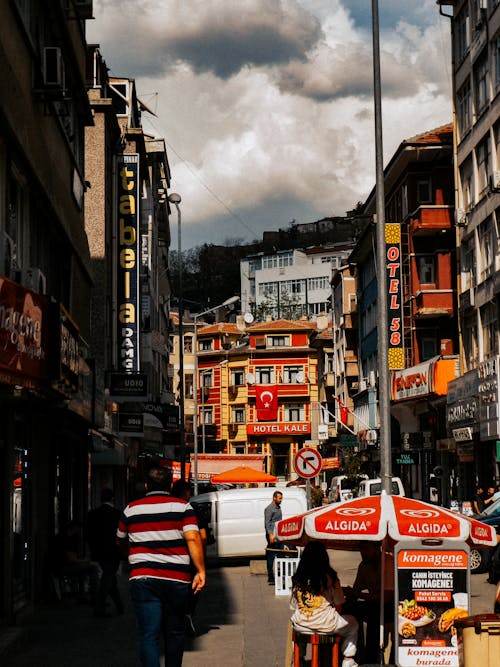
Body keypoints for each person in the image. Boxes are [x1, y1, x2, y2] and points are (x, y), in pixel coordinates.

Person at [117, 465, 206, 667]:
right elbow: (193, 538)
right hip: (176, 580)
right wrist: (200, 570)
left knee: (149, 635)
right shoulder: (183, 507)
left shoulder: (131, 509)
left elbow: (120, 540)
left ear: (146, 485)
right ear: (170, 484)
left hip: (143, 579)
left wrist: (131, 555)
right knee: (174, 632)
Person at [290, 541, 358, 667]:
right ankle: (348, 659)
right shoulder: (330, 577)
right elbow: (339, 607)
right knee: (353, 623)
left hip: (302, 624)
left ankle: (299, 657)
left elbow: (294, 606)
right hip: (325, 624)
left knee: (295, 624)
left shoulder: (298, 578)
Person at [343, 541, 394, 665]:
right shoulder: (364, 566)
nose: (362, 552)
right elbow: (356, 591)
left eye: (366, 549)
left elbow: (387, 597)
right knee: (350, 610)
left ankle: (371, 658)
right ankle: (355, 654)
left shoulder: (388, 562)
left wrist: (357, 594)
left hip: (392, 606)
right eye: (361, 549)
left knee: (374, 614)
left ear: (377, 549)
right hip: (374, 604)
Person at [170, 479, 209, 636]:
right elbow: (203, 537)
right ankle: (187, 614)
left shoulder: (169, 508)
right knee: (193, 588)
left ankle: (176, 617)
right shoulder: (192, 509)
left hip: (173, 557)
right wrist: (202, 561)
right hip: (191, 556)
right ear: (187, 493)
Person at [86, 488, 124, 618]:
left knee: (109, 577)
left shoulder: (92, 514)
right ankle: (99, 607)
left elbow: (88, 535)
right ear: (112, 499)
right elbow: (122, 535)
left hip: (98, 552)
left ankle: (119, 605)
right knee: (108, 578)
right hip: (114, 552)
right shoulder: (117, 514)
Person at [50, 520, 100, 603]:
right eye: (79, 529)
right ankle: (95, 596)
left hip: (62, 566)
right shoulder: (65, 538)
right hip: (62, 568)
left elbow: (72, 557)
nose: (79, 532)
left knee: (85, 569)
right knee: (93, 568)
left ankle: (82, 595)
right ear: (75, 528)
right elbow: (71, 559)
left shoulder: (65, 537)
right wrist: (85, 560)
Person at [264, 490, 283, 584]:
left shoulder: (278, 507)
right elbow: (267, 523)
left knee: (281, 554)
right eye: (279, 498)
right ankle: (270, 576)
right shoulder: (269, 509)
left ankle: (281, 574)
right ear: (274, 498)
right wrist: (270, 534)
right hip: (272, 535)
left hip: (278, 535)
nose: (281, 500)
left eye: (281, 498)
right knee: (271, 556)